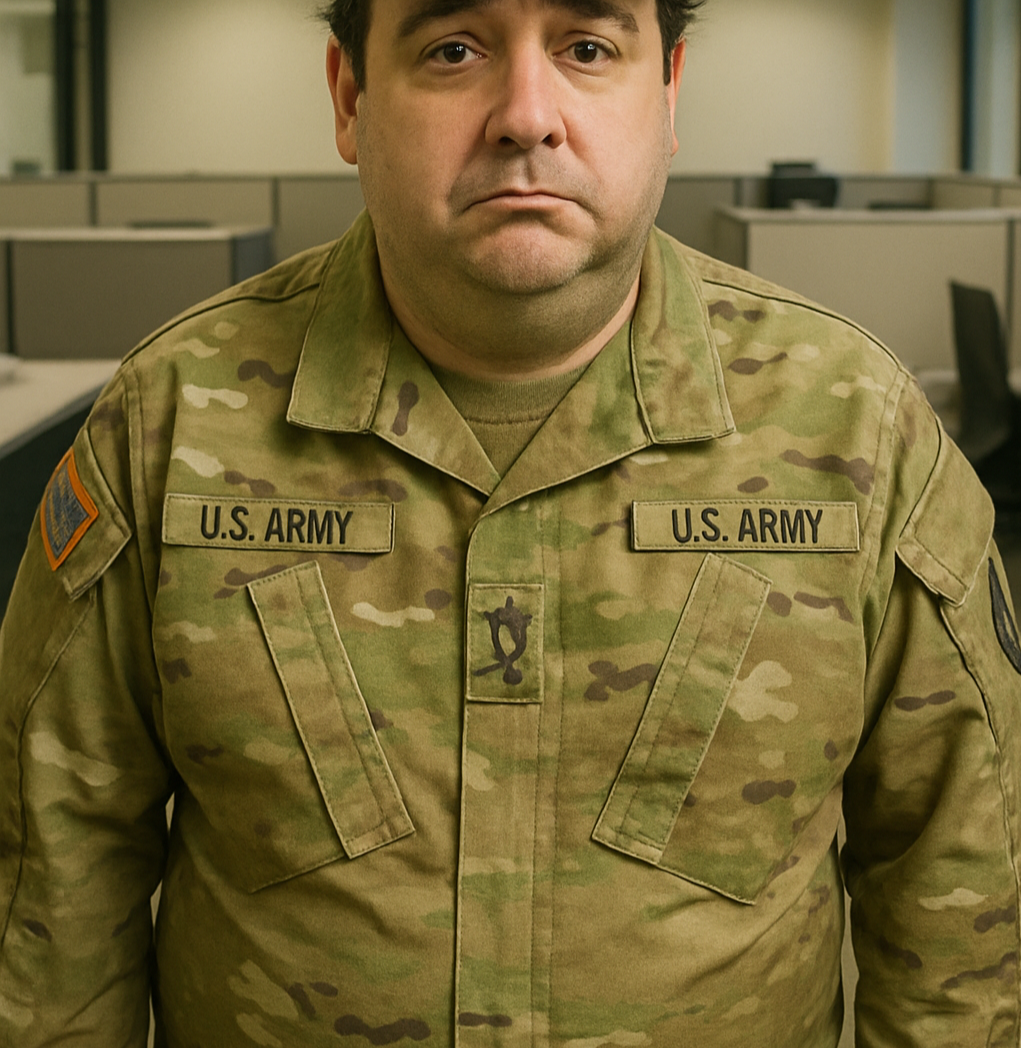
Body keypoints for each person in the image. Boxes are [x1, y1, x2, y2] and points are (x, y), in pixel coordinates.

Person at [1, 0, 1019, 1043]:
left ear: (666, 92)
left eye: (586, 48)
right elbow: (47, 889)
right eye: (452, 49)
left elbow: (963, 889)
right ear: (351, 99)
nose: (526, 115)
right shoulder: (170, 422)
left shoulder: (853, 425)